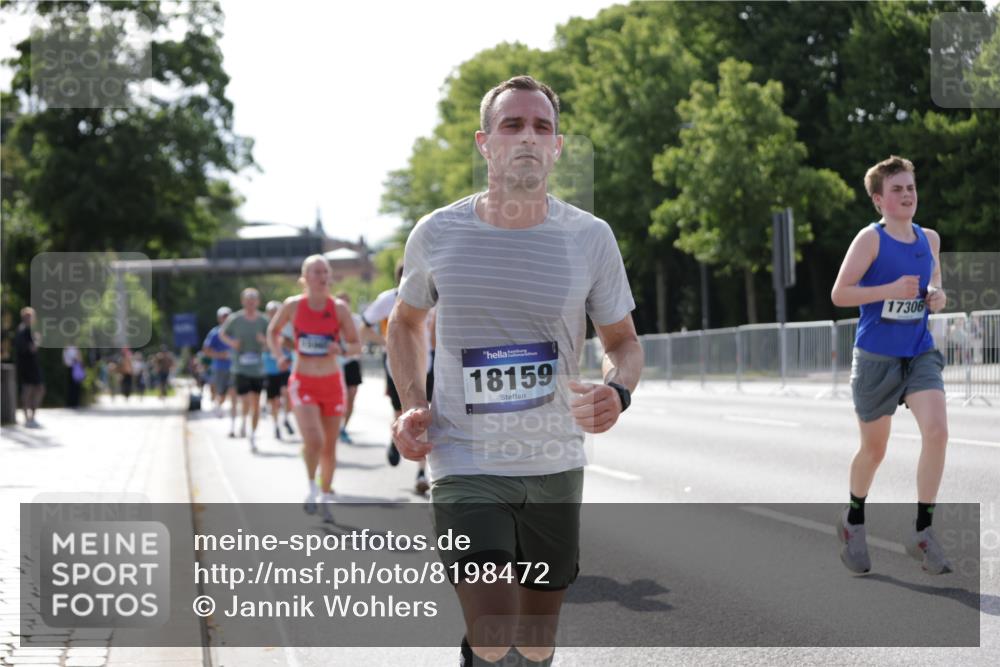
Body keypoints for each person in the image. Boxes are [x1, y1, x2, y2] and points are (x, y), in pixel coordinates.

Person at [388, 75, 642, 666]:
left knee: (535, 642)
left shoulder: (589, 238)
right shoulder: (438, 232)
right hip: (464, 459)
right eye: (512, 125)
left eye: (542, 127)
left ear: (557, 147)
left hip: (554, 460)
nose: (528, 136)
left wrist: (617, 390)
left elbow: (624, 342)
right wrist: (409, 402)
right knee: (495, 632)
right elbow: (404, 323)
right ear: (485, 143)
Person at [831, 155, 951, 575]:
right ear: (879, 200)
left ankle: (922, 531)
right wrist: (886, 290)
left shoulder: (928, 239)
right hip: (877, 357)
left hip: (918, 351)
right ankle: (853, 519)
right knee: (874, 450)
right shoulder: (870, 240)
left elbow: (933, 285)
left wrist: (937, 296)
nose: (907, 195)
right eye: (897, 189)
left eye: (911, 188)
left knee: (937, 431)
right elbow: (840, 294)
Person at [268, 256, 361, 522]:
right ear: (305, 278)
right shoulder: (293, 306)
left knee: (329, 448)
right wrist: (278, 355)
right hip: (303, 381)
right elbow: (273, 331)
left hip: (332, 382)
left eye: (325, 272)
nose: (321, 276)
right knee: (314, 440)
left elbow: (356, 345)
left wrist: (341, 348)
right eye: (316, 272)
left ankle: (325, 495)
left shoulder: (339, 308)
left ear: (330, 277)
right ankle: (311, 486)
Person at [362, 263, 433, 494]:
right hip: (397, 364)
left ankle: (422, 472)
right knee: (402, 412)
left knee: (424, 416)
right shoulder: (388, 299)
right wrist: (387, 342)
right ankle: (396, 438)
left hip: (429, 363)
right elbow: (364, 327)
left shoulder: (433, 296)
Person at [219, 289, 269, 453]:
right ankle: (243, 423)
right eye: (248, 300)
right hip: (240, 367)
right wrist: (233, 343)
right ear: (243, 301)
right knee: (245, 400)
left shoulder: (263, 320)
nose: (250, 303)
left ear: (258, 302)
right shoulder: (235, 319)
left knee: (256, 402)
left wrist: (264, 341)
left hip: (257, 368)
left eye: (253, 300)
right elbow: (222, 334)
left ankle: (252, 435)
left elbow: (274, 339)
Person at [334, 291, 364, 444]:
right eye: (340, 302)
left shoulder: (356, 320)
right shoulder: (330, 319)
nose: (343, 305)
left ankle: (343, 427)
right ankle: (335, 427)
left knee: (351, 397)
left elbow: (360, 343)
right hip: (336, 362)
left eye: (346, 302)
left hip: (351, 362)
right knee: (340, 397)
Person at [263, 300, 295, 441]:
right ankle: (276, 424)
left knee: (287, 393)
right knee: (274, 400)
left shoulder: (287, 327)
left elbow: (294, 344)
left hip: (286, 367)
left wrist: (286, 342)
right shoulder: (263, 326)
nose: (273, 314)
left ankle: (286, 418)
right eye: (271, 312)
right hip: (270, 369)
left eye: (276, 311)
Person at [203, 306, 238, 432]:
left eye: (228, 316)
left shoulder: (237, 332)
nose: (226, 319)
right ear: (219, 319)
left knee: (234, 393)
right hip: (220, 368)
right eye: (224, 317)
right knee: (222, 394)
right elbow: (206, 350)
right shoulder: (215, 333)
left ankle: (234, 426)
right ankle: (219, 404)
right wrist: (220, 355)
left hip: (236, 368)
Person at [14, 307, 44, 427]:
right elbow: (30, 348)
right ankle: (28, 417)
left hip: (31, 364)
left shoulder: (27, 330)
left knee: (38, 389)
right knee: (28, 390)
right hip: (27, 365)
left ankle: (31, 416)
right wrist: (37, 341)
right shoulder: (23, 330)